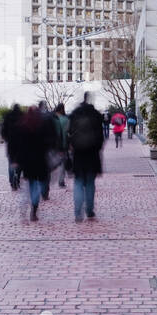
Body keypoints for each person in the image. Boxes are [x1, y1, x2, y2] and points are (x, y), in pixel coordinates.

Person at [68, 92, 104, 222]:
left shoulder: (75, 114)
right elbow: (101, 137)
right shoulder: (95, 115)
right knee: (90, 183)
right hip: (92, 154)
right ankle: (89, 210)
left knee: (78, 182)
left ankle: (78, 213)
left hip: (78, 154)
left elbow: (70, 134)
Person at [17, 103, 52, 221]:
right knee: (37, 184)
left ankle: (24, 206)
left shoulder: (23, 125)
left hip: (27, 161)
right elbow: (48, 142)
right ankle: (34, 209)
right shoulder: (43, 125)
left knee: (30, 184)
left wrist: (19, 159)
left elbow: (20, 145)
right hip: (40, 159)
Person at [1, 103, 23, 190]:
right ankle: (17, 180)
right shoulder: (22, 116)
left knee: (11, 162)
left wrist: (6, 138)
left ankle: (11, 181)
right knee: (20, 162)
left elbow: (3, 130)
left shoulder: (8, 117)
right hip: (21, 144)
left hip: (10, 143)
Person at [53, 102, 70, 187]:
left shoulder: (51, 119)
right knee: (62, 164)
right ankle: (61, 181)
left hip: (52, 145)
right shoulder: (66, 120)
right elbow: (68, 133)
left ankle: (47, 182)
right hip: (63, 144)